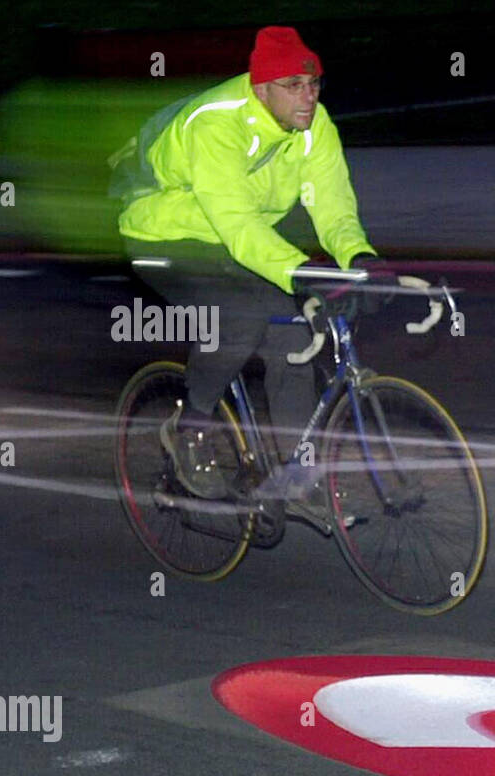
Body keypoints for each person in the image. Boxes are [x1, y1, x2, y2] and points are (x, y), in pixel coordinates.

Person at [114, 25, 384, 510]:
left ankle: (294, 471)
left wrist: (358, 257)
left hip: (234, 241)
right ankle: (190, 429)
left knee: (296, 337)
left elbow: (332, 206)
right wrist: (300, 273)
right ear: (261, 90)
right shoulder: (217, 124)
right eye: (294, 87)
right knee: (238, 317)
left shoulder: (315, 125)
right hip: (164, 236)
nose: (309, 98)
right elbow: (237, 223)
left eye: (315, 84)